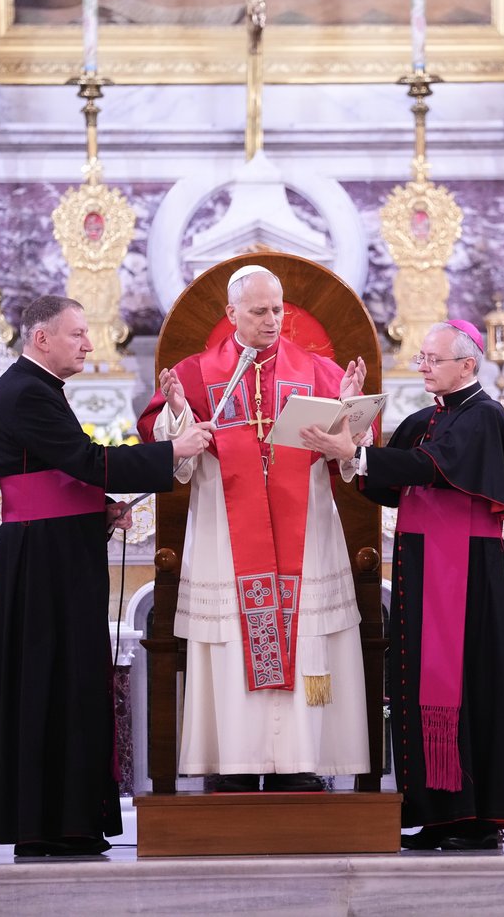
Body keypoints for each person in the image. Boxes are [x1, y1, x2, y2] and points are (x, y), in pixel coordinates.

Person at [0, 295, 213, 857]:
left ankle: (65, 820)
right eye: (77, 333)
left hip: (57, 551)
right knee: (50, 682)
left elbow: (54, 472)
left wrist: (95, 507)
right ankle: (46, 824)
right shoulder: (27, 390)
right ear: (41, 338)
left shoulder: (37, 389)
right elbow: (85, 460)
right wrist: (173, 450)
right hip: (43, 561)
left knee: (68, 682)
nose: (89, 343)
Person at [302, 319, 504, 851]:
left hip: (466, 574)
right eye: (423, 358)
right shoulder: (424, 418)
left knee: (467, 683)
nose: (423, 365)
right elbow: (386, 481)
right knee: (415, 683)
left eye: (433, 358)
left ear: (467, 364)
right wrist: (352, 427)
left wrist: (353, 450)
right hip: (422, 564)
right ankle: (434, 811)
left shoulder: (484, 415)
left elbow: (430, 467)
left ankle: (472, 816)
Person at [136, 265, 370, 792]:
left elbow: (353, 452)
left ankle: (298, 761)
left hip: (306, 529)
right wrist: (178, 418)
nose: (271, 320)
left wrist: (351, 411)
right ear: (231, 314)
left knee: (304, 634)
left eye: (277, 309)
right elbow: (160, 438)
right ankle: (234, 762)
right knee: (230, 641)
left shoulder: (319, 372)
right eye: (259, 311)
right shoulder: (195, 375)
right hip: (225, 529)